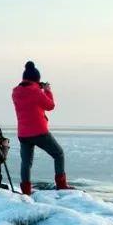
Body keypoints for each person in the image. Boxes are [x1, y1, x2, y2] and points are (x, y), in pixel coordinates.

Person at [12, 61, 69, 194]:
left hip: (23, 133)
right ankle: (61, 184)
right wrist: (47, 91)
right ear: (36, 79)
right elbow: (50, 106)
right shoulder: (36, 92)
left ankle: (26, 190)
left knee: (26, 162)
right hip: (39, 132)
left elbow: (29, 98)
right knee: (58, 154)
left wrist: (38, 87)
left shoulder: (16, 92)